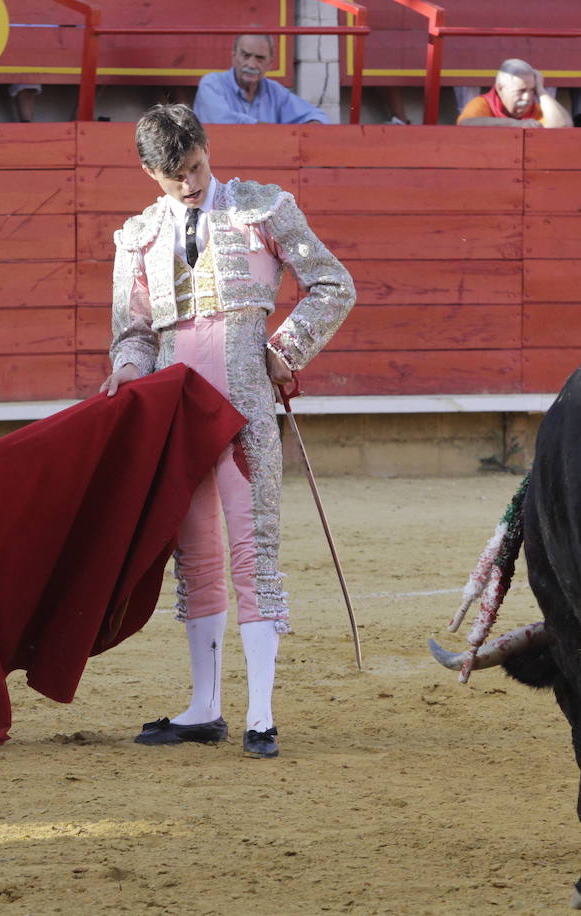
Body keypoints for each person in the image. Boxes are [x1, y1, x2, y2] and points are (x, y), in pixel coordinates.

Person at [100, 104, 354, 759]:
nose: (189, 184)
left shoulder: (262, 209)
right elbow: (131, 331)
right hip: (176, 420)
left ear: (208, 149)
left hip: (243, 412)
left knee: (253, 553)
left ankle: (261, 714)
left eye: (196, 168)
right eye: (173, 176)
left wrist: (287, 347)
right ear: (148, 173)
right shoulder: (137, 239)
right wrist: (128, 369)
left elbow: (333, 284)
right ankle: (205, 706)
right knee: (198, 559)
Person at [193, 34, 328, 125]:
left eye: (260, 58)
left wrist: (312, 127)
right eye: (246, 55)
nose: (252, 64)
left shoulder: (275, 91)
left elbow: (317, 117)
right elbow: (221, 120)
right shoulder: (211, 84)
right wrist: (268, 130)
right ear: (233, 57)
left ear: (270, 64)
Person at [457, 59, 572, 128]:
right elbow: (466, 123)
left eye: (531, 90)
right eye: (521, 91)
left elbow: (563, 125)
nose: (527, 98)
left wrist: (541, 90)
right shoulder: (483, 103)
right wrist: (516, 124)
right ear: (500, 88)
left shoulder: (536, 109)